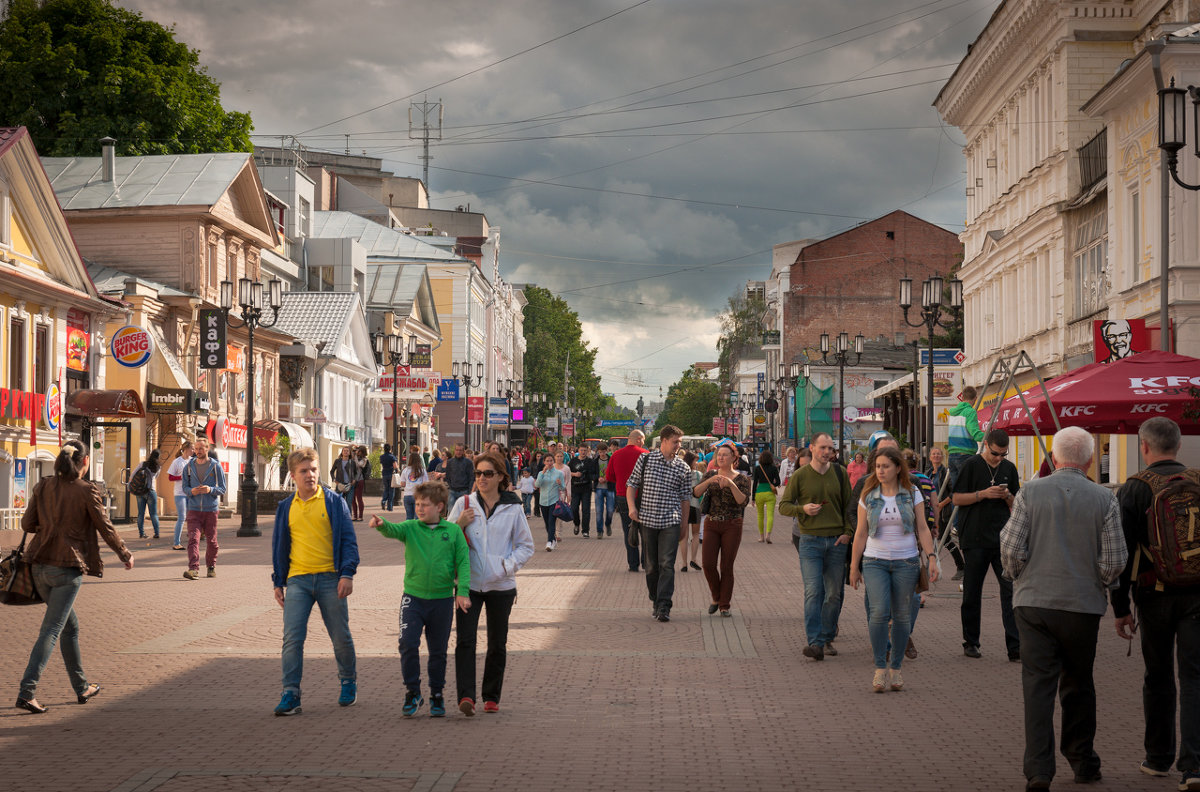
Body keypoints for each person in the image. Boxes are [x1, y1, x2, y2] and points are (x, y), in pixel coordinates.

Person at [1000, 427, 1126, 790]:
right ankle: (1083, 759)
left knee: (1037, 686)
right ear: (1089, 460)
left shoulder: (1030, 492)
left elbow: (1010, 546)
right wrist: (1096, 580)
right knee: (1079, 683)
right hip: (1082, 606)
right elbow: (1115, 559)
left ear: (1054, 458)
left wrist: (1020, 576)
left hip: (1034, 602)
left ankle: (1039, 769)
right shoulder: (1105, 499)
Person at [14, 440, 134, 714]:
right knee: (52, 629)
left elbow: (26, 524)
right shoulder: (86, 491)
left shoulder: (43, 485)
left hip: (38, 566)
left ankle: (81, 687)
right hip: (67, 569)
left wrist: (50, 522)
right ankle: (26, 691)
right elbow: (105, 526)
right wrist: (125, 554)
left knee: (70, 627)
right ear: (84, 463)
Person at [1113, 417, 1200, 788]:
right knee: (1195, 677)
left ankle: (1158, 757)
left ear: (1143, 447)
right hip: (1198, 593)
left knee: (1159, 675)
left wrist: (1119, 607)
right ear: (1179, 446)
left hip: (1153, 594)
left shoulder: (1134, 489)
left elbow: (1122, 552)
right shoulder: (1197, 482)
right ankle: (1194, 766)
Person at [270, 448, 360, 716]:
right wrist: (278, 581)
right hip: (298, 580)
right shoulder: (286, 507)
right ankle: (291, 694)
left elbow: (348, 541)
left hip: (330, 579)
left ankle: (348, 681)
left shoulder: (334, 502)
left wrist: (347, 574)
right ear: (293, 475)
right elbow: (279, 547)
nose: (309, 475)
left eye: (313, 469)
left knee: (340, 636)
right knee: (292, 639)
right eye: (303, 471)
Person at [370, 481, 470, 718]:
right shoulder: (411, 527)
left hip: (443, 600)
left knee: (438, 651)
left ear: (440, 507)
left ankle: (437, 694)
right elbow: (394, 530)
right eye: (417, 504)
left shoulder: (453, 531)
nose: (420, 509)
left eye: (425, 505)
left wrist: (463, 592)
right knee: (407, 643)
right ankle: (413, 691)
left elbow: (463, 563)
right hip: (413, 598)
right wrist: (383, 524)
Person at [449, 451, 535, 715]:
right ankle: (466, 697)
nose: (481, 478)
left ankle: (491, 695)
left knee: (497, 643)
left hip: (501, 587)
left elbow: (525, 546)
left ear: (500, 476)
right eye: (478, 474)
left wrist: (505, 567)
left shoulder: (513, 507)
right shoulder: (465, 503)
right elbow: (444, 538)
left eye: (487, 473)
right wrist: (457, 524)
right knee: (465, 641)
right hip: (468, 585)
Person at [849, 446, 939, 693]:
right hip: (874, 561)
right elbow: (861, 532)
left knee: (902, 616)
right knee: (878, 612)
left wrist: (931, 557)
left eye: (886, 466)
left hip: (906, 561)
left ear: (898, 468)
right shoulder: (868, 494)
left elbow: (922, 528)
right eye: (877, 466)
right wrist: (854, 566)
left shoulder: (912, 494)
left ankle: (896, 667)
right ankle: (880, 667)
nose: (880, 471)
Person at [778, 432, 853, 661]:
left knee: (833, 594)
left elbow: (850, 507)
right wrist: (803, 510)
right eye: (823, 448)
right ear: (811, 448)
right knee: (813, 591)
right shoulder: (800, 475)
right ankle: (815, 642)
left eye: (830, 448)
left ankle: (827, 635)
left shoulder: (840, 473)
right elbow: (784, 506)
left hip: (837, 541)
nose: (827, 452)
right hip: (810, 540)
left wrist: (848, 533)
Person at [952, 427, 1021, 661]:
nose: (999, 458)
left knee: (1009, 592)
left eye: (1003, 454)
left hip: (1002, 538)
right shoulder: (971, 465)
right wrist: (982, 494)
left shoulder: (1009, 469)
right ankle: (971, 642)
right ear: (986, 445)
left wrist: (1007, 496)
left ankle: (1015, 647)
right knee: (972, 591)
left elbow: (1017, 503)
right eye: (995, 453)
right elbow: (956, 498)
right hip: (974, 538)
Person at [627, 425, 693, 623]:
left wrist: (684, 524)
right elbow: (631, 484)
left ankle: (664, 605)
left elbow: (685, 499)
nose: (678, 446)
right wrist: (632, 508)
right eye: (675, 442)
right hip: (647, 520)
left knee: (667, 563)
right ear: (663, 440)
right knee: (651, 565)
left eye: (680, 443)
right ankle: (655, 598)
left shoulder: (684, 467)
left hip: (670, 521)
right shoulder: (646, 459)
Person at [695, 444, 751, 616]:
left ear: (734, 458)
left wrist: (731, 485)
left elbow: (743, 502)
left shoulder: (741, 479)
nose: (721, 458)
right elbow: (696, 493)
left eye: (725, 455)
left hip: (732, 524)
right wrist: (710, 481)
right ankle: (716, 596)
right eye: (719, 455)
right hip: (711, 523)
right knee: (708, 564)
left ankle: (724, 605)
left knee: (726, 566)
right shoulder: (711, 474)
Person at [182, 437, 226, 580]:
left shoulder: (215, 466)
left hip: (210, 509)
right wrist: (191, 491)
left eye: (201, 448)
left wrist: (210, 489)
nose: (198, 451)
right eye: (196, 448)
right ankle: (193, 568)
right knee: (193, 539)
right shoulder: (188, 467)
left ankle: (211, 566)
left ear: (207, 449)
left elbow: (222, 488)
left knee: (211, 541)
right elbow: (184, 487)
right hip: (193, 509)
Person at [608, 430, 649, 572]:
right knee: (646, 531)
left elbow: (609, 476)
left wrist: (621, 482)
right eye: (643, 439)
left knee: (628, 529)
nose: (644, 442)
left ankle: (633, 564)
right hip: (643, 496)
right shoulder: (645, 455)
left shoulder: (616, 455)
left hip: (622, 495)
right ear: (638, 439)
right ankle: (646, 562)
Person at [927, 446, 965, 581]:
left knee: (945, 538)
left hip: (943, 512)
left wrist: (941, 505)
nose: (936, 456)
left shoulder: (946, 473)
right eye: (934, 454)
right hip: (930, 512)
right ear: (930, 457)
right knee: (930, 540)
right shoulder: (929, 473)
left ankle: (961, 567)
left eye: (938, 454)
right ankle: (930, 568)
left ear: (942, 457)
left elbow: (953, 492)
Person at [947, 385, 986, 498]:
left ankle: (957, 516)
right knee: (969, 493)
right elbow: (975, 433)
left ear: (962, 397)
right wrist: (988, 436)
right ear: (975, 398)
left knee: (957, 494)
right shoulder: (970, 412)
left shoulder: (953, 413)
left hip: (952, 456)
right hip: (965, 455)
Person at [535, 452, 568, 551]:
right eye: (547, 461)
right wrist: (543, 473)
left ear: (553, 461)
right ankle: (553, 539)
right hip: (543, 501)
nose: (549, 463)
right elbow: (537, 485)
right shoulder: (541, 473)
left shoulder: (559, 473)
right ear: (544, 462)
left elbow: (563, 487)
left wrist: (559, 484)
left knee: (551, 521)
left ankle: (549, 542)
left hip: (554, 501)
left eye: (551, 461)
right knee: (547, 523)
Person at [166, 440, 193, 550]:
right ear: (186, 449)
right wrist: (182, 477)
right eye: (192, 448)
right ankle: (176, 543)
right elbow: (170, 477)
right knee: (182, 517)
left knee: (192, 517)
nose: (193, 451)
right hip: (180, 493)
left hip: (191, 492)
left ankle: (192, 539)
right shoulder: (177, 462)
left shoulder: (193, 461)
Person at [679, 451, 703, 573]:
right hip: (695, 506)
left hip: (683, 506)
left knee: (683, 536)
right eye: (695, 460)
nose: (697, 463)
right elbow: (702, 491)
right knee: (695, 534)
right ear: (691, 461)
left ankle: (684, 563)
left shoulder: (680, 472)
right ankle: (693, 559)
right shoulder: (698, 475)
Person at [131, 449, 161, 539]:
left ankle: (141, 533)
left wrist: (130, 485)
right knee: (153, 514)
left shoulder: (143, 464)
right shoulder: (158, 467)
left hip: (140, 491)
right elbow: (155, 477)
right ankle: (156, 533)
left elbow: (133, 474)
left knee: (141, 513)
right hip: (151, 491)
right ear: (158, 457)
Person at [753, 450, 781, 544]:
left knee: (760, 515)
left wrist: (753, 498)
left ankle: (761, 537)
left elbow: (755, 483)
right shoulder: (774, 468)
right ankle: (768, 535)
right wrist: (772, 484)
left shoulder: (757, 468)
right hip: (769, 493)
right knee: (770, 515)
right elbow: (778, 482)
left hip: (759, 493)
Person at [569, 445, 597, 537]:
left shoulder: (590, 461)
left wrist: (589, 476)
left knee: (586, 510)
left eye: (585, 450)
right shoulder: (573, 461)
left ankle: (585, 530)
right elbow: (567, 472)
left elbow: (593, 474)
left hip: (586, 488)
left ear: (587, 451)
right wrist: (574, 474)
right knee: (574, 508)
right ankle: (576, 524)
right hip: (575, 488)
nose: (583, 452)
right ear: (578, 450)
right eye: (581, 450)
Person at [399, 452, 428, 521]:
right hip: (418, 496)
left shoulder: (405, 470)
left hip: (407, 495)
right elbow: (426, 484)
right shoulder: (422, 470)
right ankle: (417, 531)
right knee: (418, 517)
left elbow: (402, 484)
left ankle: (408, 531)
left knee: (409, 517)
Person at [330, 446, 358, 517]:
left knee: (348, 503)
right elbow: (332, 471)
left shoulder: (352, 462)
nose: (345, 452)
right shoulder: (337, 461)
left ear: (349, 453)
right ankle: (339, 517)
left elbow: (356, 473)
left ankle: (347, 518)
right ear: (342, 452)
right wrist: (334, 480)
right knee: (339, 502)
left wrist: (354, 480)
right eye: (344, 451)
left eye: (347, 451)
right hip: (340, 485)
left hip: (350, 485)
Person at [595, 447, 614, 538]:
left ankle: (608, 523)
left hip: (609, 487)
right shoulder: (595, 461)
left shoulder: (611, 460)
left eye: (603, 452)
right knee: (599, 511)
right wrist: (597, 478)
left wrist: (607, 478)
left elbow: (615, 473)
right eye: (600, 452)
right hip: (599, 488)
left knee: (610, 510)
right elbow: (591, 473)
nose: (602, 454)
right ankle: (599, 530)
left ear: (607, 451)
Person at [351, 446, 370, 521]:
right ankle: (355, 515)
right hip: (352, 480)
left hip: (359, 480)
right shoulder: (353, 457)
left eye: (359, 451)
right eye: (357, 451)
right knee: (352, 499)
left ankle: (360, 516)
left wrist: (355, 456)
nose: (357, 452)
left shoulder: (364, 460)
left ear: (362, 452)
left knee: (359, 498)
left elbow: (359, 464)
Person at [379, 443, 398, 512]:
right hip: (391, 474)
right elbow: (395, 466)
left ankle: (383, 501)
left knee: (386, 489)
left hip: (384, 474)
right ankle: (390, 507)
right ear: (390, 449)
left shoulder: (382, 457)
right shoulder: (392, 457)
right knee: (391, 490)